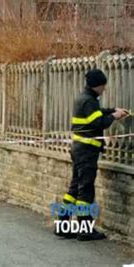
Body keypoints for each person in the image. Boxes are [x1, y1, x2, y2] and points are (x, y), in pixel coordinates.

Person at [54, 69, 129, 241]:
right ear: (98, 85)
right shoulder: (88, 101)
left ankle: (63, 225)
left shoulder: (85, 98)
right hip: (86, 152)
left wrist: (113, 110)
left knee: (75, 188)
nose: (104, 89)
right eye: (103, 86)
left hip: (79, 149)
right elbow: (98, 122)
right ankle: (85, 230)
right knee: (85, 191)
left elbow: (97, 113)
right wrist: (114, 117)